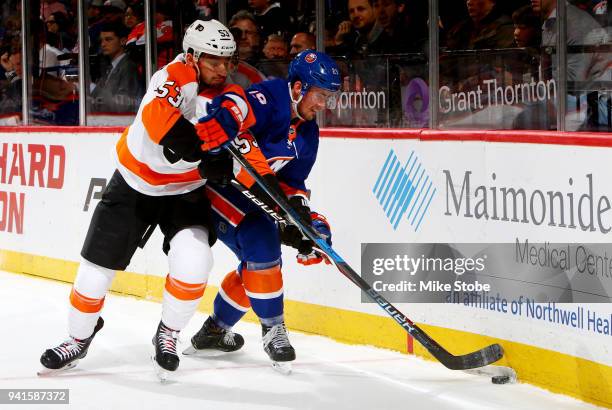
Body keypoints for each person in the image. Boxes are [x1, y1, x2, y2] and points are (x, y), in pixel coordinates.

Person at [39, 19, 246, 379]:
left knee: (195, 262)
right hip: (134, 183)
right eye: (215, 60)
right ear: (193, 55)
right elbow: (159, 122)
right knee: (93, 275)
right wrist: (204, 152)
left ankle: (168, 334)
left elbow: (247, 147)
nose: (223, 69)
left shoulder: (232, 95)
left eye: (228, 60)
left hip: (184, 191)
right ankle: (78, 337)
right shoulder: (172, 76)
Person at [183, 50, 341, 371]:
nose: (323, 105)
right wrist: (280, 214)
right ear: (297, 87)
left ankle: (216, 330)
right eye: (320, 95)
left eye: (329, 97)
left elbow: (294, 182)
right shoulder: (267, 97)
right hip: (212, 187)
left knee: (259, 263)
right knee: (263, 241)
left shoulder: (309, 131)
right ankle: (273, 329)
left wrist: (303, 218)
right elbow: (229, 120)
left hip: (252, 196)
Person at [91, 22, 142, 112]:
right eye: (101, 40)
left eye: (108, 39)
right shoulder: (108, 67)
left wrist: (90, 87)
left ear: (122, 41)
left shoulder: (129, 67)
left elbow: (123, 106)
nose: (103, 44)